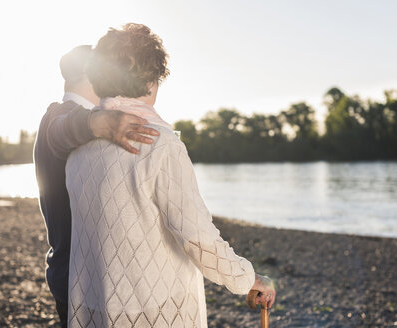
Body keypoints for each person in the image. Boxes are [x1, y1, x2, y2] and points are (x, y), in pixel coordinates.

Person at [65, 23, 276, 328]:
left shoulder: (76, 151)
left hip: (94, 311)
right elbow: (198, 237)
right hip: (154, 314)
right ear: (151, 81)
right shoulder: (161, 145)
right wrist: (250, 278)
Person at [34, 45, 160, 327]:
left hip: (77, 274)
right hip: (78, 277)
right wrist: (97, 121)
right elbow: (60, 132)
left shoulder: (70, 116)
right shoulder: (60, 115)